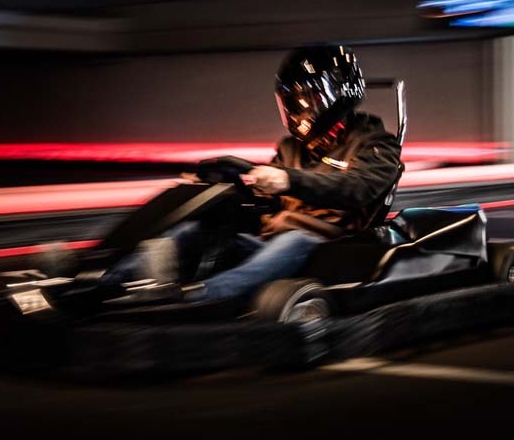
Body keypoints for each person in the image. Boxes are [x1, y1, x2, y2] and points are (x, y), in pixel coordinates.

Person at [105, 43, 403, 305]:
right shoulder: (291, 148)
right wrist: (227, 185)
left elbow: (358, 187)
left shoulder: (376, 144)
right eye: (292, 102)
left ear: (336, 94)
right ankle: (109, 283)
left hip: (330, 249)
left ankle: (203, 297)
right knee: (197, 231)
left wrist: (287, 180)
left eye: (307, 100)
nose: (298, 111)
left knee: (294, 240)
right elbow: (268, 199)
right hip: (271, 242)